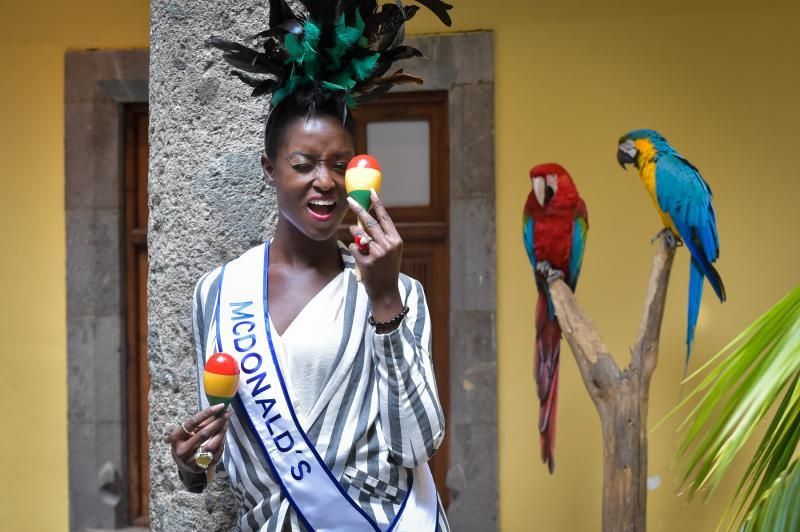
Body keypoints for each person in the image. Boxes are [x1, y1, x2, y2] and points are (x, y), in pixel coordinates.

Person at [167, 0, 454, 523]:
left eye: (340, 165)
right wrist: (192, 464)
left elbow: (416, 445)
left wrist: (385, 299)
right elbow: (225, 445)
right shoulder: (219, 293)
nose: (325, 180)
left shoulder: (400, 293)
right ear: (270, 169)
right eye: (303, 164)